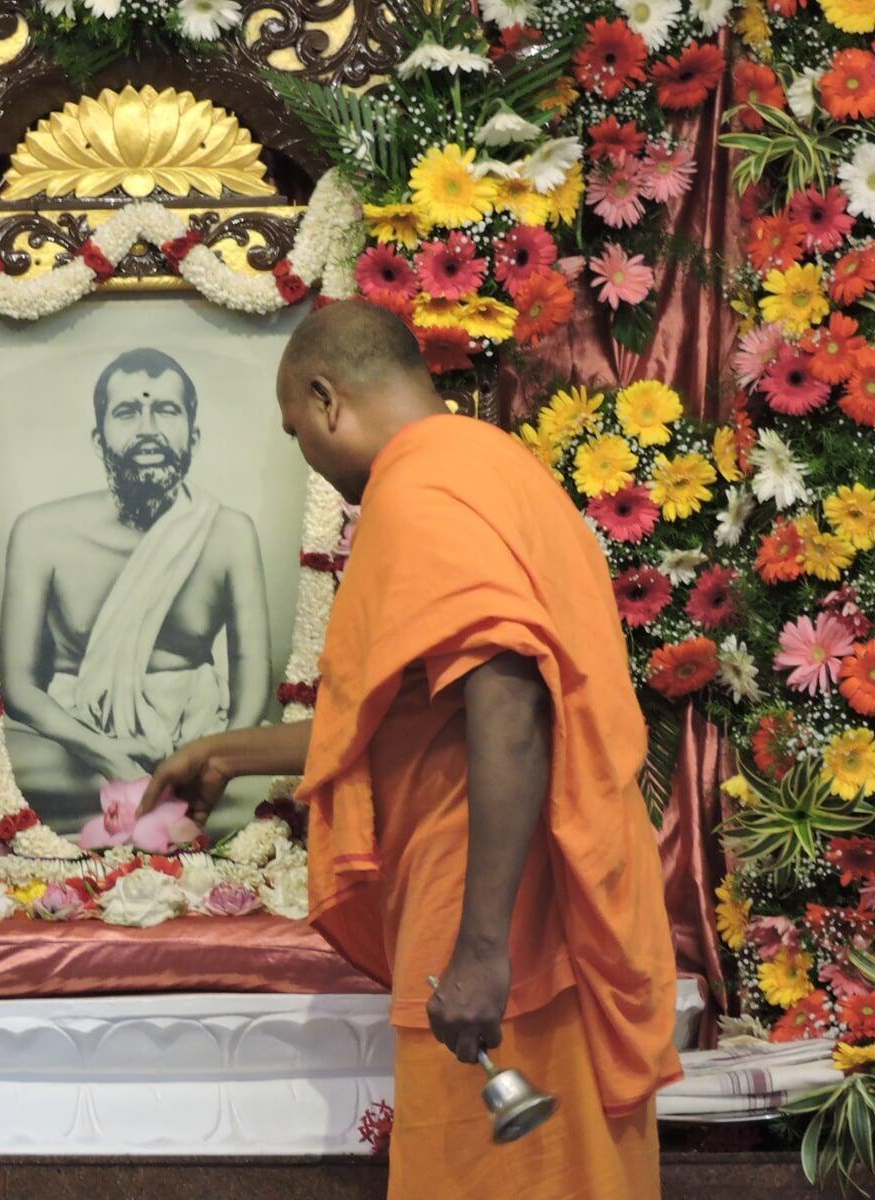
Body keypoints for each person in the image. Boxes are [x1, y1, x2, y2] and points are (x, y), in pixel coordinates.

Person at [141, 301, 681, 1197]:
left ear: (326, 400)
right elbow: (406, 717)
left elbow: (509, 707)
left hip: (502, 911)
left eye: (294, 432)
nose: (306, 456)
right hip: (544, 895)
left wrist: (483, 950)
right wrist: (227, 753)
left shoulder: (419, 489)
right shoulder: (491, 464)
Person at [0, 348, 272, 832]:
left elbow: (252, 683)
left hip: (199, 733)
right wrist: (108, 756)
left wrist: (216, 758)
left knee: (288, 783)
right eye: (127, 412)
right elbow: (19, 687)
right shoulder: (41, 533)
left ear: (193, 435)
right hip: (75, 740)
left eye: (166, 410)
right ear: (99, 439)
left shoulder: (230, 533)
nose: (148, 428)